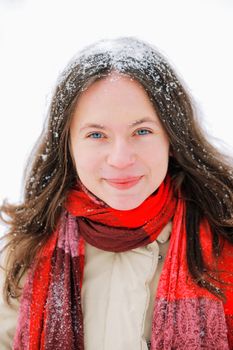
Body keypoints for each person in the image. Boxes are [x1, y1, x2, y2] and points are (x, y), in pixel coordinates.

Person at [0, 36, 233, 350]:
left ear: (172, 138)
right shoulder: (24, 252)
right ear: (68, 146)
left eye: (142, 131)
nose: (121, 158)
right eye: (97, 134)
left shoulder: (224, 238)